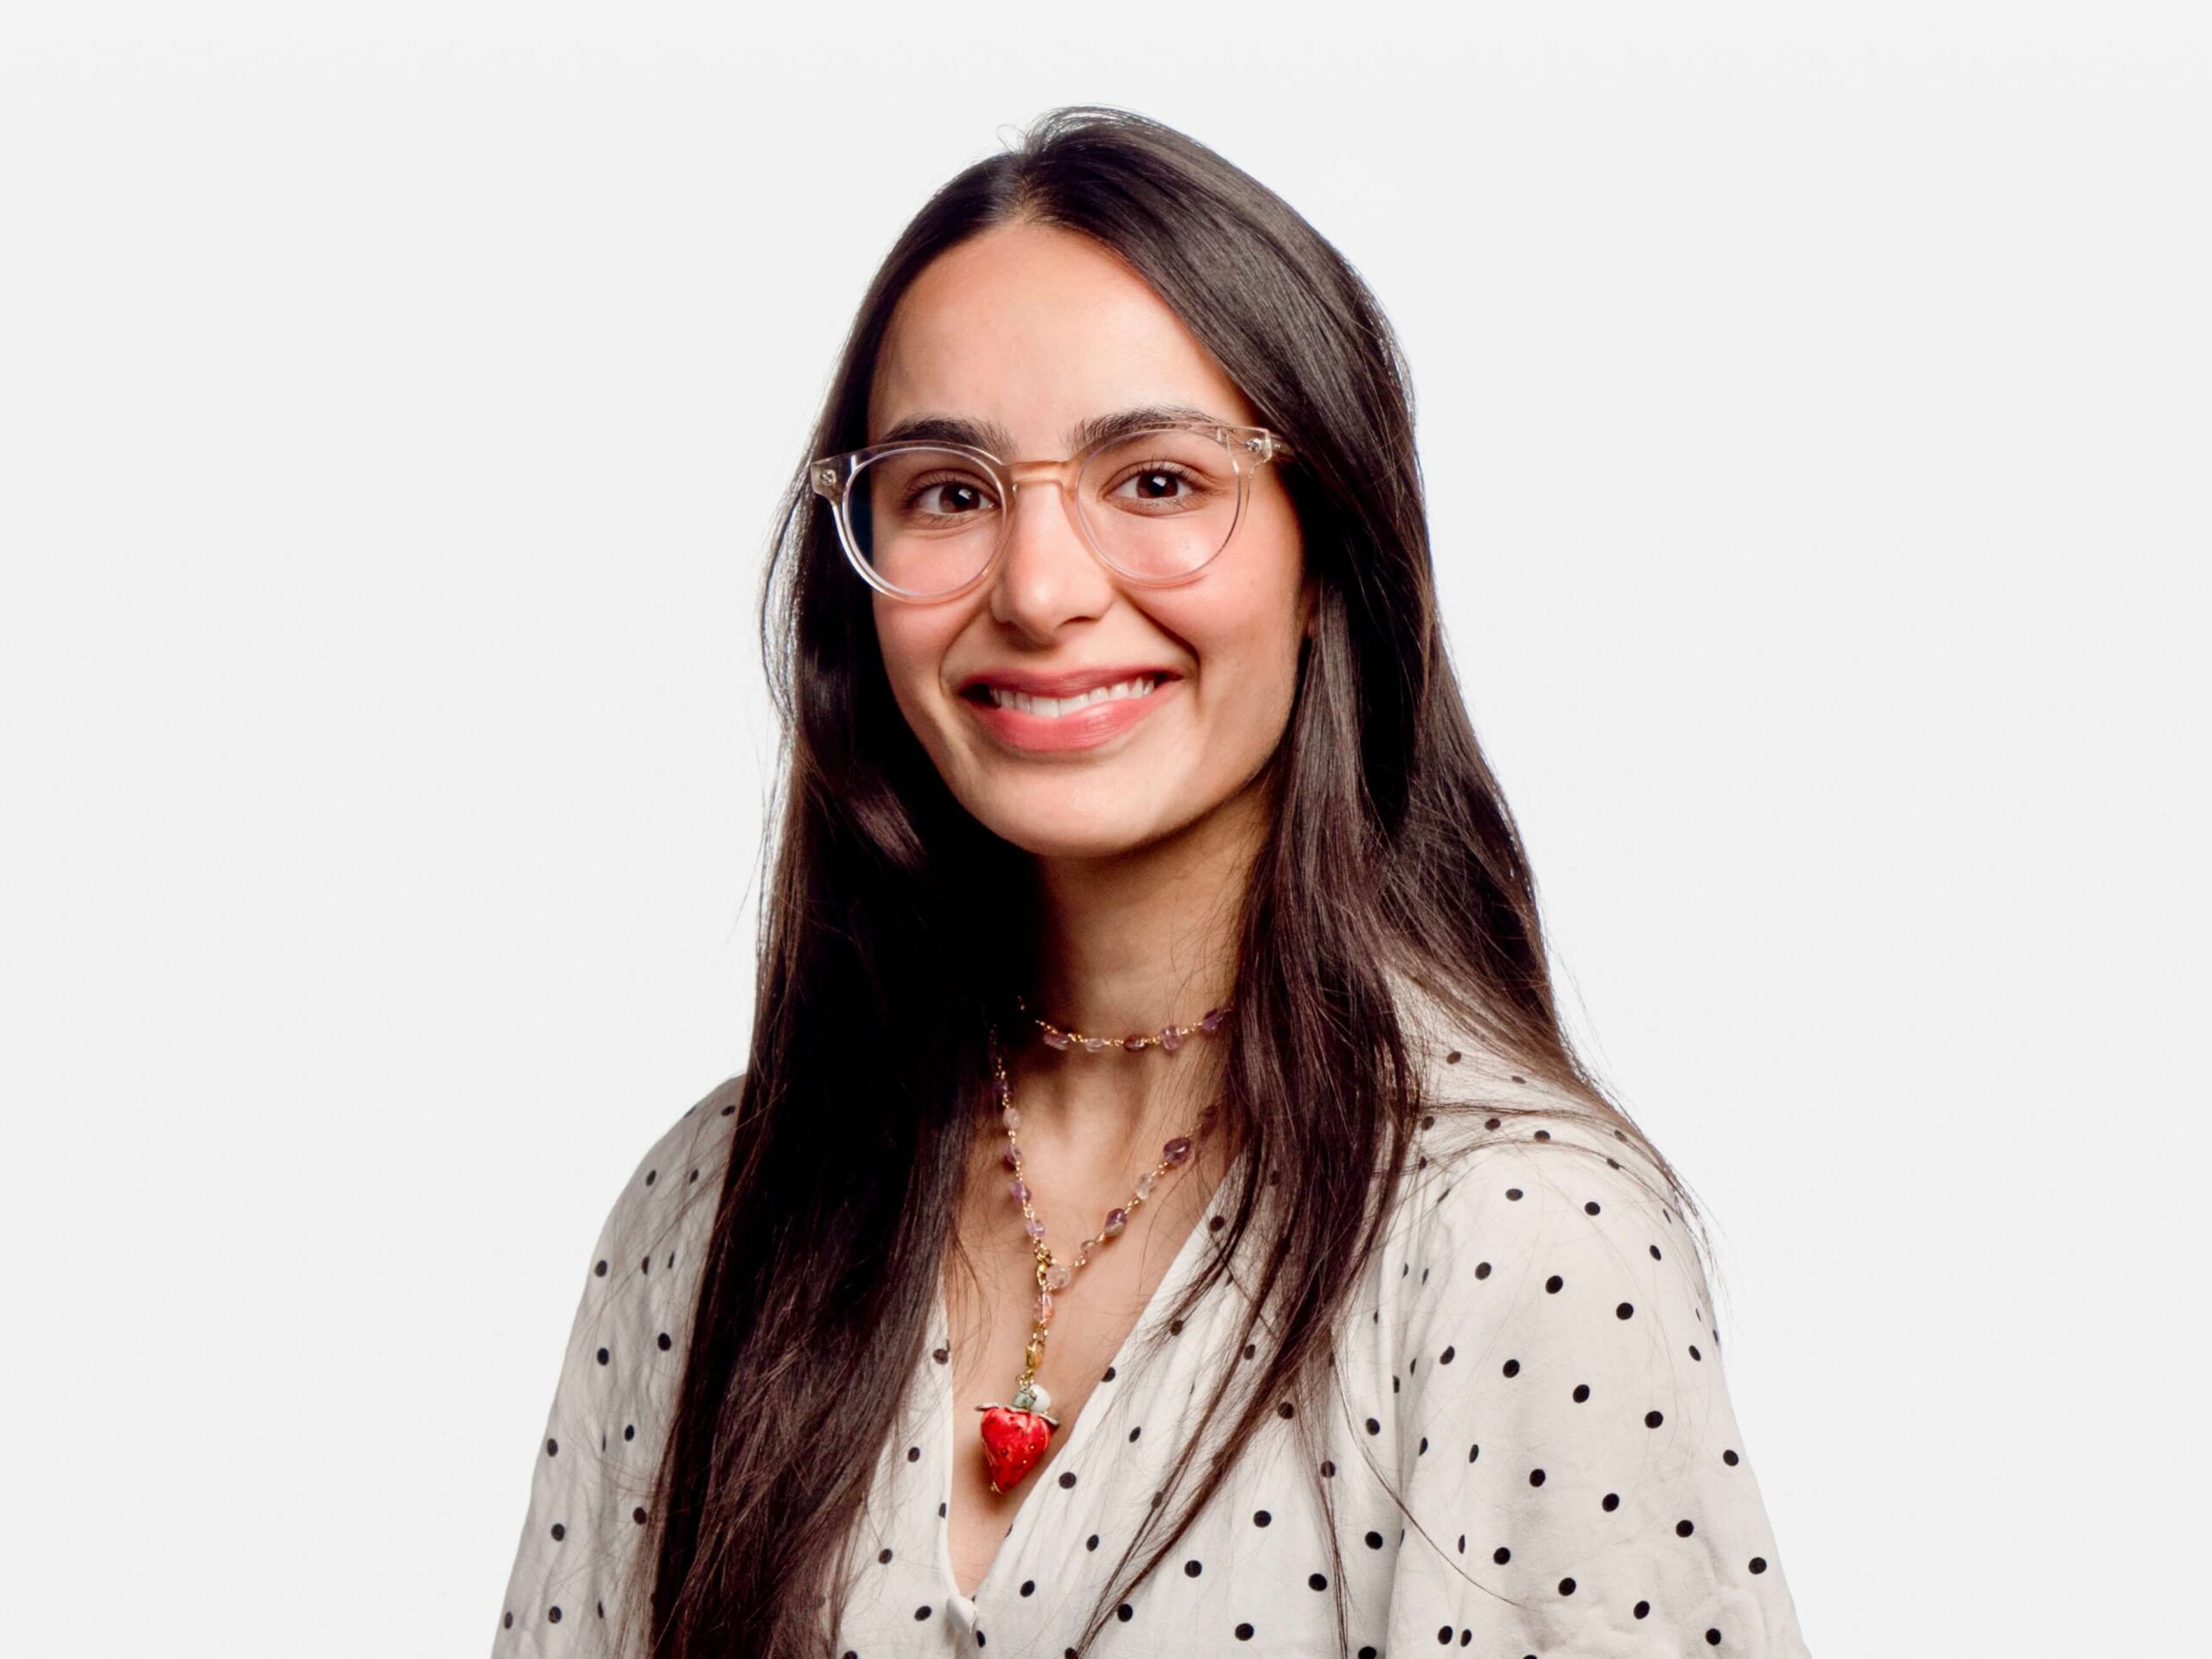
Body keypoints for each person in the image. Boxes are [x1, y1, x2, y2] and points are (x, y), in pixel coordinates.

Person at [493, 105, 1813, 1659]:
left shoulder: (1515, 1229)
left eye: (1160, 482)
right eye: (950, 492)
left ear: (1330, 556)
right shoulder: (712, 1210)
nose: (1042, 590)